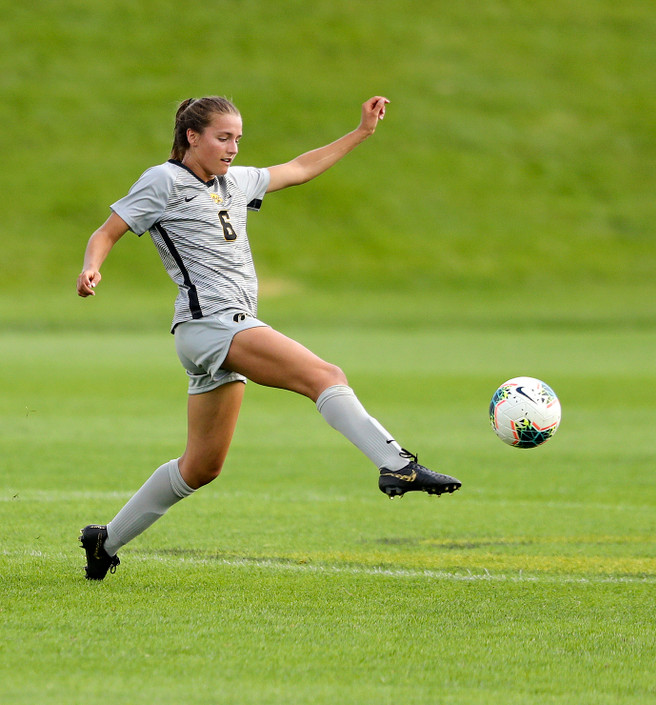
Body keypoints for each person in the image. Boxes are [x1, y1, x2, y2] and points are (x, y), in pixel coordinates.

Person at [77, 95, 461, 581]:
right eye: (223, 137)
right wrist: (92, 267)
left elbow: (299, 168)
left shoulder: (235, 182)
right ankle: (397, 463)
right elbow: (107, 231)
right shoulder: (163, 180)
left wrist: (361, 132)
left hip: (219, 334)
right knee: (324, 375)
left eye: (238, 137)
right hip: (213, 324)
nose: (233, 147)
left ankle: (104, 541)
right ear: (192, 137)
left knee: (201, 468)